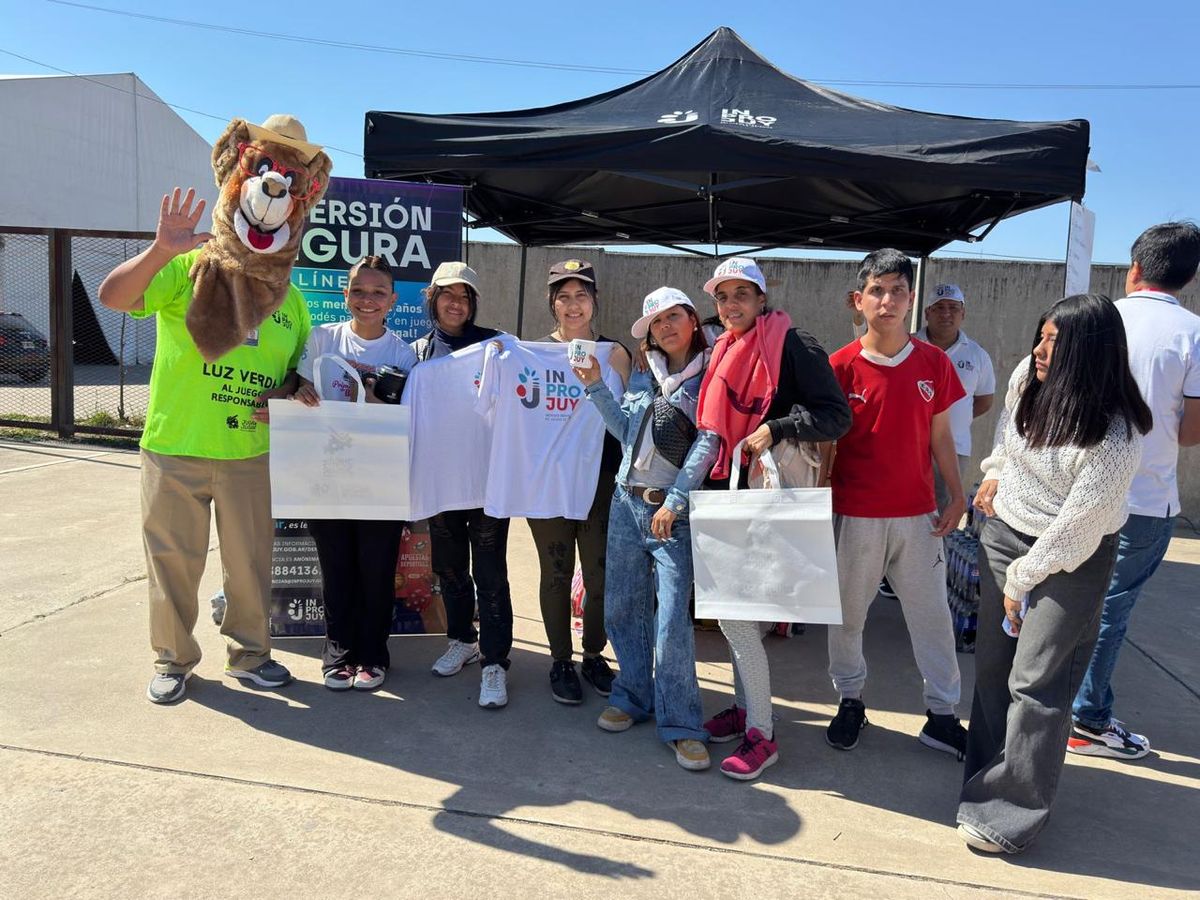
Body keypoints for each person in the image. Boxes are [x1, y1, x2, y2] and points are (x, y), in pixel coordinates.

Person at [98, 187, 310, 703]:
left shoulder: (292, 298)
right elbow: (114, 297)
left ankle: (251, 655)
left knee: (252, 564)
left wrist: (287, 392)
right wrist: (161, 251)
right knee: (172, 561)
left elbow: (293, 374)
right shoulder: (189, 268)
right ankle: (173, 660)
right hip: (175, 446)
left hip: (249, 454)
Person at [958, 293, 1152, 854]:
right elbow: (1008, 438)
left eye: (1055, 344)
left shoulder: (1116, 436)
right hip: (1004, 534)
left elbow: (1077, 530)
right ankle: (983, 780)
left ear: (1091, 355)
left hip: (1072, 557)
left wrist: (1021, 580)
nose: (1040, 351)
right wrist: (993, 472)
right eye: (1041, 336)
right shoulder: (1027, 374)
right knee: (994, 669)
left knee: (1037, 683)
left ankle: (1012, 812)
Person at [695, 257, 851, 780]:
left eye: (743, 293)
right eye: (723, 296)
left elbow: (836, 415)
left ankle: (762, 732)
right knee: (732, 613)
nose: (731, 304)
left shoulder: (791, 342)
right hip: (730, 493)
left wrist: (778, 426)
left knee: (738, 620)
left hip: (768, 496)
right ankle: (744, 711)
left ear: (763, 299)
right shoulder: (723, 349)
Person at [824, 249, 967, 757]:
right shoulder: (839, 366)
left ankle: (943, 714)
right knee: (847, 617)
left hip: (919, 517)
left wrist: (957, 492)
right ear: (858, 299)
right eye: (877, 290)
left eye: (898, 290)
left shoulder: (935, 363)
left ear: (912, 299)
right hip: (855, 515)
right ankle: (850, 701)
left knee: (932, 617)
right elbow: (826, 447)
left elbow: (941, 436)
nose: (888, 300)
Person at [1069, 222, 1200, 759]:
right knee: (1111, 610)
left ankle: (1046, 701)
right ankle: (1087, 719)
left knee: (1061, 598)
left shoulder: (1092, 322)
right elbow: (1191, 432)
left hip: (1074, 492)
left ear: (1135, 269)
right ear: (1189, 277)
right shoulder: (1192, 332)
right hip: (1145, 499)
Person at [574, 287, 718, 770]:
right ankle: (634, 693)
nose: (665, 327)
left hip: (669, 515)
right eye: (656, 322)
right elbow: (624, 431)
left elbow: (707, 445)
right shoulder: (643, 375)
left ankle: (682, 722)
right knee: (622, 605)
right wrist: (594, 385)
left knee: (672, 618)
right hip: (625, 503)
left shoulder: (709, 375)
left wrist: (675, 502)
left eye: (673, 317)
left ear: (693, 321)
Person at [290, 256, 418, 692]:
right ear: (344, 295)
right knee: (337, 570)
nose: (367, 300)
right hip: (326, 477)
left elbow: (411, 416)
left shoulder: (403, 353)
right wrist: (300, 390)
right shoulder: (323, 338)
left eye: (378, 292)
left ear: (393, 300)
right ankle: (339, 654)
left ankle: (373, 655)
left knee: (377, 571)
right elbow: (300, 389)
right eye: (358, 291)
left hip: (380, 481)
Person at [527, 260, 631, 704]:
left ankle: (592, 655)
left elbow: (631, 416)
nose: (573, 305)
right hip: (548, 483)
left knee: (599, 574)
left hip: (601, 482)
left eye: (581, 295)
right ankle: (559, 661)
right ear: (552, 303)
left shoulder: (617, 353)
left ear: (594, 301)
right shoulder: (531, 353)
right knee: (555, 573)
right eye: (564, 296)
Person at [412, 261, 514, 709]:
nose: (457, 303)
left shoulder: (499, 347)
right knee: (449, 568)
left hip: (487, 481)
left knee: (490, 573)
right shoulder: (416, 352)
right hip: (440, 480)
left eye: (465, 296)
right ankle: (461, 640)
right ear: (432, 298)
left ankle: (495, 662)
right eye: (448, 294)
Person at [915, 283, 995, 511]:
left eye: (953, 307)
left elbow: (984, 401)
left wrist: (954, 419)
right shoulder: (907, 345)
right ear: (927, 313)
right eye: (939, 307)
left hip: (955, 448)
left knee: (942, 512)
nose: (946, 313)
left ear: (963, 313)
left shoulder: (977, 355)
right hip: (909, 446)